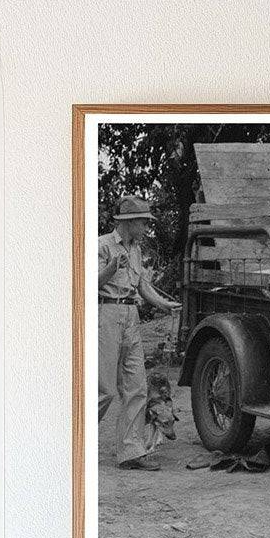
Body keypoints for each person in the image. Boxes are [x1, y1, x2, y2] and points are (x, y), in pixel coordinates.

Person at [97, 195, 181, 471]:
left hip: (131, 316)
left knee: (137, 388)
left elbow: (143, 286)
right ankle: (70, 442)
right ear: (129, 222)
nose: (146, 228)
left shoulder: (135, 250)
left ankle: (130, 452)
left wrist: (163, 304)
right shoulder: (101, 246)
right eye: (143, 223)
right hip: (105, 314)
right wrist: (110, 268)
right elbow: (84, 280)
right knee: (105, 390)